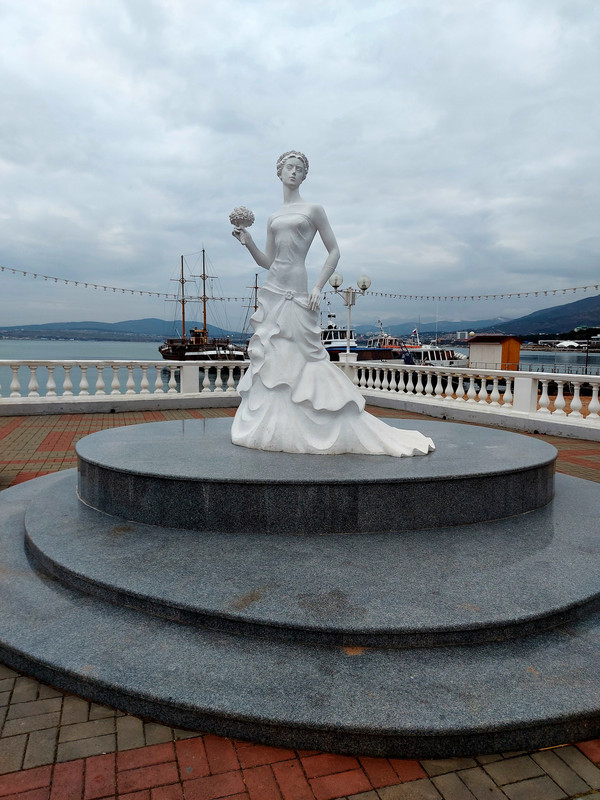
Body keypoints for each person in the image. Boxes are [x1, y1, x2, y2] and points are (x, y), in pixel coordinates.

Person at [231, 150, 434, 457]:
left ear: (304, 175)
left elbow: (334, 251)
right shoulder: (273, 217)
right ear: (279, 172)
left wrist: (317, 286)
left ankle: (316, 420)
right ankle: (275, 424)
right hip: (273, 288)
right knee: (274, 354)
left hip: (298, 287)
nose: (294, 172)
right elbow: (268, 261)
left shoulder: (313, 209)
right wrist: (248, 243)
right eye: (289, 167)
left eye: (299, 169)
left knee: (307, 353)